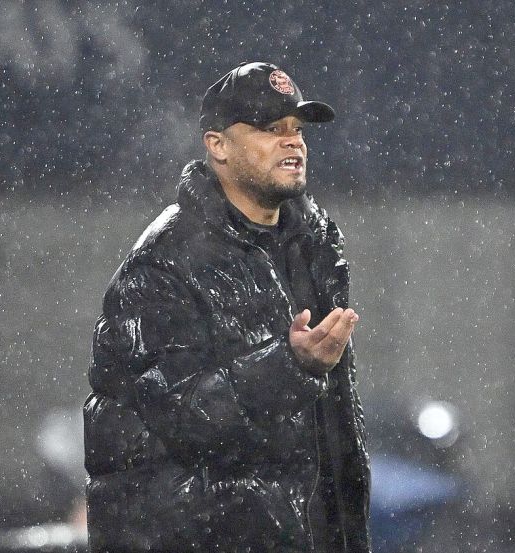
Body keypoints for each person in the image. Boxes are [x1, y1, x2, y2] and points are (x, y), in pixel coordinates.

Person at [84, 62, 371, 552]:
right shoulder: (163, 262)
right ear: (217, 145)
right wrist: (288, 366)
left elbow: (331, 427)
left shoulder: (314, 242)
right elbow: (167, 417)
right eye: (270, 128)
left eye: (297, 129)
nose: (293, 142)